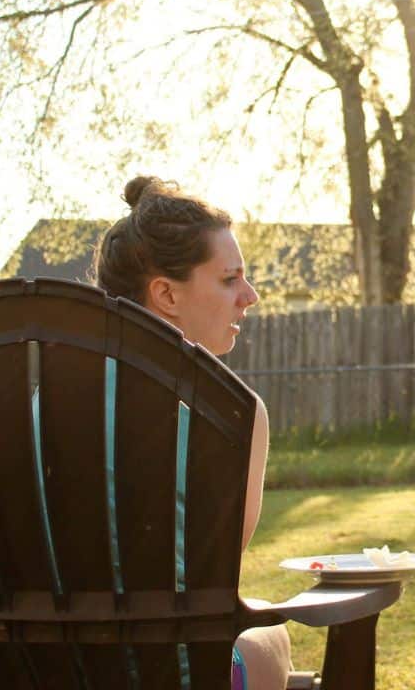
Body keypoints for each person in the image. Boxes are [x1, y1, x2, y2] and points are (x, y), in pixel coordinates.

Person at [94, 176, 290, 690]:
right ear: (165, 293)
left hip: (32, 671)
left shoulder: (34, 404)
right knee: (270, 635)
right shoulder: (233, 415)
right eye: (229, 279)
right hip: (174, 676)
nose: (250, 295)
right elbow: (219, 572)